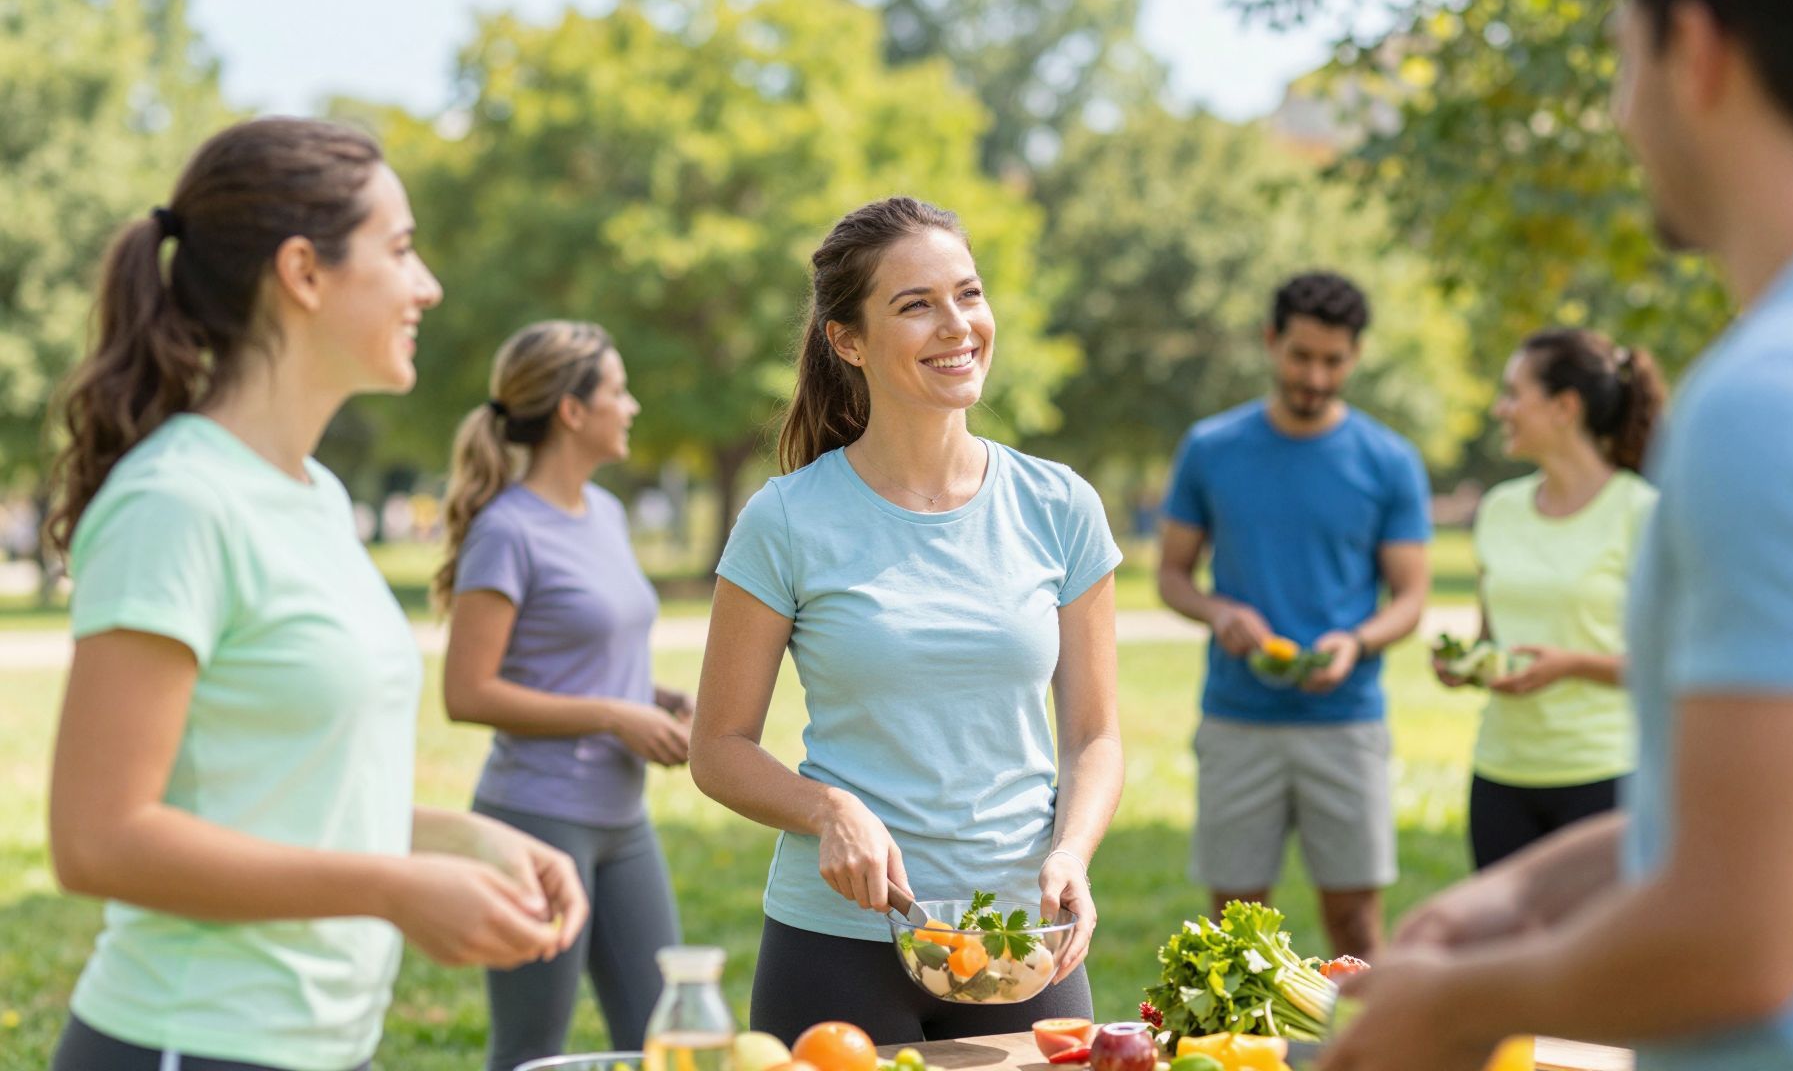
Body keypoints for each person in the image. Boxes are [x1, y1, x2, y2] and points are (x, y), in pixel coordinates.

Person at [1323, 0, 1793, 1068]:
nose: (1620, 110)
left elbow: (1739, 936)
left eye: (1624, 56)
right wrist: (1529, 893)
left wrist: (1455, 1007)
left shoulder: (1790, 396)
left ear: (1695, 51)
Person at [43, 117, 586, 1071]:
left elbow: (284, 798)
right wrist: (392, 887)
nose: (428, 286)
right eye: (402, 249)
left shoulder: (318, 497)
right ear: (304, 273)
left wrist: (455, 840)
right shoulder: (176, 502)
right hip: (191, 1043)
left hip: (325, 1049)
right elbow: (99, 840)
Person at [690, 197, 1123, 1044]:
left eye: (968, 293)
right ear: (846, 340)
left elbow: (1094, 736)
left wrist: (1071, 852)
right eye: (915, 304)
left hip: (1024, 941)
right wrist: (827, 811)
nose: (957, 325)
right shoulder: (786, 520)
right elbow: (719, 749)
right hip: (836, 942)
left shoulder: (1060, 505)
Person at [435, 321, 692, 1071]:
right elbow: (467, 691)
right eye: (617, 390)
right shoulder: (506, 530)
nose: (632, 405)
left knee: (665, 1041)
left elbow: (574, 655)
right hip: (537, 818)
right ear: (573, 412)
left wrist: (651, 696)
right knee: (529, 1051)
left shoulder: (605, 514)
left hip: (623, 821)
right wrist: (615, 714)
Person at [1157, 271, 1432, 961]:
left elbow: (1410, 599)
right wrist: (1218, 610)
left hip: (1345, 721)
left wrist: (1355, 641)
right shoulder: (1211, 448)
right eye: (1302, 356)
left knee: (1355, 927)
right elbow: (1170, 576)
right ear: (1271, 341)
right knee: (1235, 931)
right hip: (1237, 717)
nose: (1316, 375)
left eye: (1333, 361)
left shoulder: (1389, 461)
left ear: (1356, 356)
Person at [1444, 329, 1664, 870]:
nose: (1502, 409)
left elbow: (1672, 664)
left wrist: (1573, 665)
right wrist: (1463, 664)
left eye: (1515, 394)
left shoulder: (1643, 512)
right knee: (1501, 951)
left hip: (1603, 775)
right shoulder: (1499, 509)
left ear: (1565, 407)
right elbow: (1492, 639)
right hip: (1501, 774)